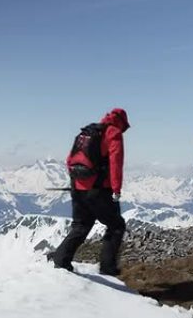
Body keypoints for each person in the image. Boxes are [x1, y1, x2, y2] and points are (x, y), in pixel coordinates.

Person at [51, 108, 129, 275]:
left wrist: (77, 182)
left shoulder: (88, 132)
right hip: (98, 190)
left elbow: (70, 160)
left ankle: (61, 259)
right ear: (122, 122)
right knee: (116, 226)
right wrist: (116, 189)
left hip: (77, 187)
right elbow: (116, 163)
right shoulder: (113, 133)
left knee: (81, 225)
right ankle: (108, 268)